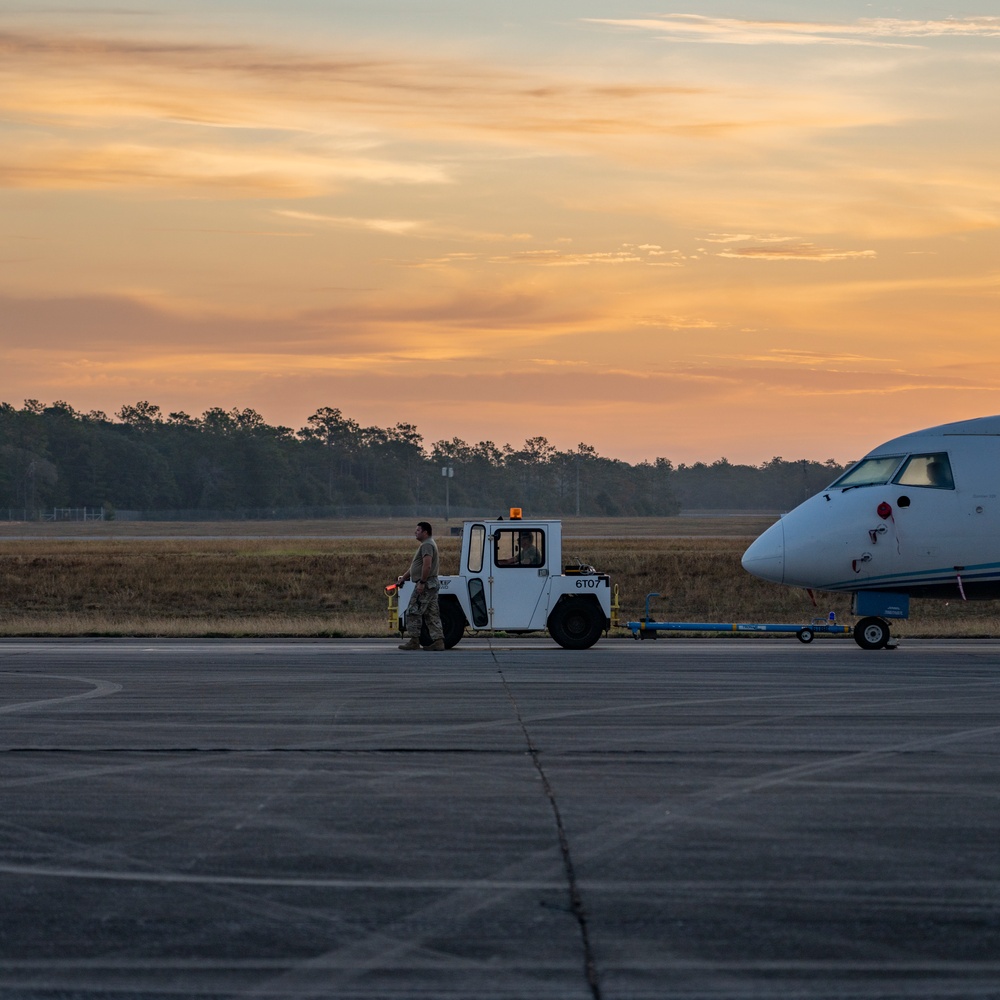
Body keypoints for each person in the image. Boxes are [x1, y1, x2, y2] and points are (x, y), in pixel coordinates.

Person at [397, 521, 444, 651]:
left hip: (426, 583)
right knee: (431, 613)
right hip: (432, 583)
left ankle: (414, 641)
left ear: (425, 532)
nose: (415, 532)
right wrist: (404, 578)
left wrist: (422, 582)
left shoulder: (427, 545)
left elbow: (427, 565)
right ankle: (438, 641)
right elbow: (414, 567)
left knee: (413, 611)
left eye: (418, 530)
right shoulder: (427, 544)